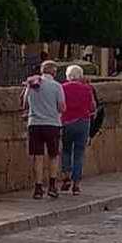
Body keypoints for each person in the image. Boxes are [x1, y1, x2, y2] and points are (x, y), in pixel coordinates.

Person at [23, 59, 66, 200]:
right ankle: (52, 186)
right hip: (52, 124)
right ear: (54, 72)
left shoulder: (32, 84)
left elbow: (24, 103)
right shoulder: (57, 86)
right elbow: (61, 107)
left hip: (34, 123)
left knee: (38, 156)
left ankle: (38, 187)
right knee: (53, 155)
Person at [58, 64, 96, 193]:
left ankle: (66, 177)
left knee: (66, 150)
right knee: (79, 153)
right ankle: (76, 184)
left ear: (68, 76)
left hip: (66, 121)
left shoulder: (62, 88)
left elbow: (59, 105)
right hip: (83, 122)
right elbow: (92, 107)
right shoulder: (87, 89)